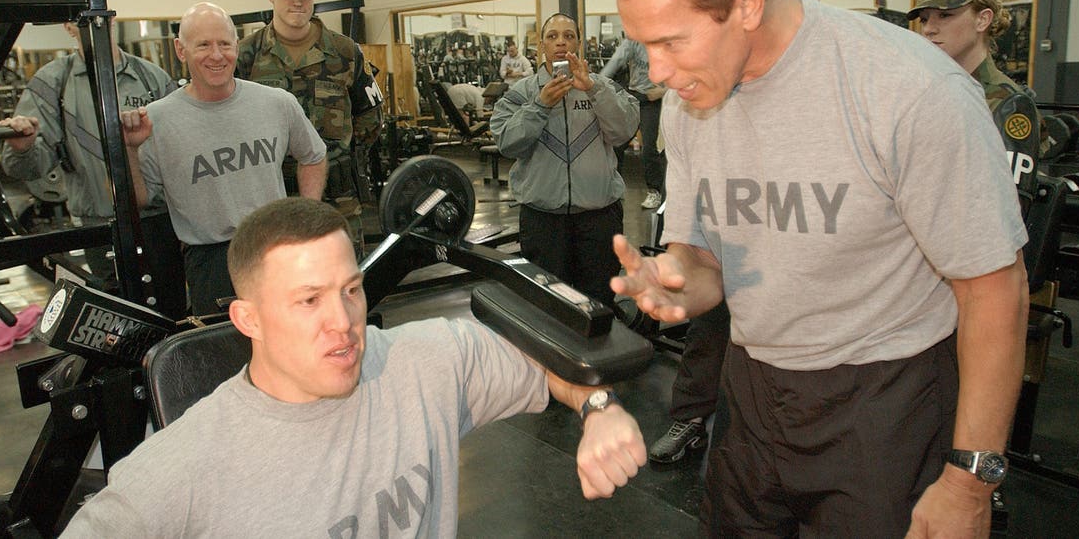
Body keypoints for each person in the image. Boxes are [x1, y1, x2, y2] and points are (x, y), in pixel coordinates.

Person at [604, 0, 1026, 537]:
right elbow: (708, 261)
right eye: (643, 46)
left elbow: (995, 289)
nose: (658, 72)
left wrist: (970, 481)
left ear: (746, 5)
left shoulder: (909, 92)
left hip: (885, 396)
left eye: (671, 41)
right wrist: (678, 280)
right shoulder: (691, 101)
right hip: (752, 385)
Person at [60, 196, 646, 536]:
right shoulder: (182, 468)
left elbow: (550, 366)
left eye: (351, 290)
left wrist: (599, 407)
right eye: (308, 300)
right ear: (248, 319)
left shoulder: (425, 363)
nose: (343, 321)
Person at [646, 0, 828, 467]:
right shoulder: (700, 90)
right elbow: (688, 177)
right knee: (710, 330)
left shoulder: (829, 76)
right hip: (728, 240)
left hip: (797, 258)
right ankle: (690, 420)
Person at [121, 2, 328, 317]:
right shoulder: (157, 120)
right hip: (211, 263)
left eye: (224, 44)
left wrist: (305, 220)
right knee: (227, 359)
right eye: (203, 45)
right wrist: (130, 150)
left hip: (276, 248)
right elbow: (140, 198)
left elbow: (313, 156)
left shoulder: (276, 104)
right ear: (181, 50)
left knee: (293, 346)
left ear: (236, 46)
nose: (216, 56)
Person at [0, 20, 172, 288]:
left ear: (113, 19)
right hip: (100, 226)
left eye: (102, 16)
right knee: (118, 313)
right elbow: (25, 167)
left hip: (160, 222)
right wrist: (22, 148)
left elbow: (179, 149)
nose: (95, 24)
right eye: (81, 19)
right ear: (68, 27)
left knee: (173, 309)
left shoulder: (152, 77)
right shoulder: (54, 82)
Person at [490, 13, 639, 311]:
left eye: (569, 36)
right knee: (548, 308)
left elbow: (623, 131)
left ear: (579, 44)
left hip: (598, 218)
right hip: (543, 220)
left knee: (598, 305)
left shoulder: (601, 87)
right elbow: (507, 142)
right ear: (541, 45)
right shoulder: (522, 93)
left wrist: (594, 90)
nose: (561, 42)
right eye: (553, 36)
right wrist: (540, 106)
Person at [235, 0, 383, 240]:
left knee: (340, 278)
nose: (298, 1)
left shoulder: (345, 52)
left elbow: (370, 119)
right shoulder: (247, 56)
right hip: (269, 199)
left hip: (337, 200)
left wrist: (338, 155)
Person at [910, 0, 1027, 114]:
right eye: (924, 19)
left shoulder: (1005, 104)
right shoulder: (930, 91)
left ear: (982, 20)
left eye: (945, 15)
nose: (928, 29)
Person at [600, 37, 665, 210]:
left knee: (649, 147)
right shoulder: (634, 40)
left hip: (653, 99)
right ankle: (615, 188)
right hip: (634, 96)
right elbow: (615, 62)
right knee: (617, 144)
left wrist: (664, 91)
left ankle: (655, 190)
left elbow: (683, 73)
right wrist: (596, 83)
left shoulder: (665, 42)